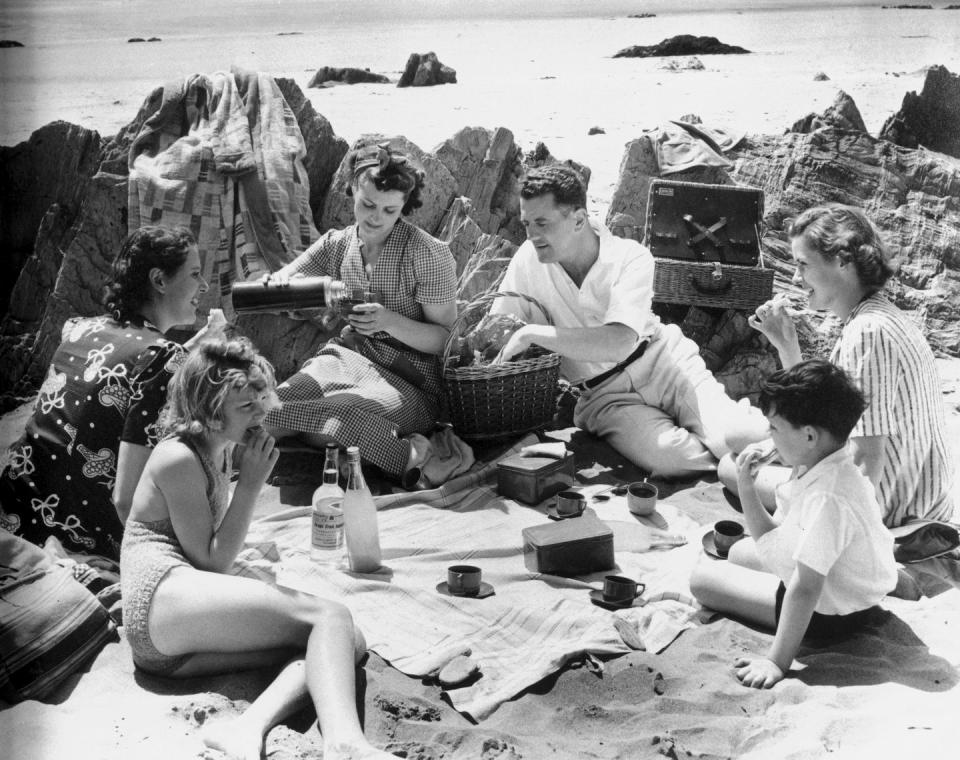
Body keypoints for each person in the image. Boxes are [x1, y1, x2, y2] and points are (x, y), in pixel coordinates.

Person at [120, 337, 395, 760]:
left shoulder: (220, 447)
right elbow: (209, 562)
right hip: (158, 597)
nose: (262, 413)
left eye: (261, 400)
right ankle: (345, 744)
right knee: (330, 614)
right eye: (246, 407)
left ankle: (247, 727)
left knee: (343, 640)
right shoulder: (177, 457)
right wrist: (250, 485)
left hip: (176, 634)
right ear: (207, 410)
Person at [490, 165, 767, 478]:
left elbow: (620, 341)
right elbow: (497, 329)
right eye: (527, 223)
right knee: (672, 460)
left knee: (741, 435)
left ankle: (739, 450)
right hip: (605, 398)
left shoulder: (630, 257)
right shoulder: (528, 260)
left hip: (665, 364)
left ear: (579, 219)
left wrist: (531, 333)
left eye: (542, 223)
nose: (532, 235)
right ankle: (735, 468)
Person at [724, 204, 955, 528]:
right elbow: (825, 414)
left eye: (803, 265)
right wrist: (787, 344)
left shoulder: (867, 335)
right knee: (737, 439)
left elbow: (866, 458)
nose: (795, 277)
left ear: (843, 262)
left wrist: (815, 540)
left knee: (729, 466)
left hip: (892, 513)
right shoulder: (878, 315)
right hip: (919, 496)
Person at [0, 225, 220, 561]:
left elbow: (130, 373)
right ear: (159, 281)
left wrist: (199, 342)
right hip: (84, 539)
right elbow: (125, 501)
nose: (204, 286)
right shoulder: (163, 359)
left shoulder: (81, 328)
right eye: (194, 274)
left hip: (18, 516)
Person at [691, 360, 898, 689]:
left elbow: (805, 588)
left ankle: (780, 645)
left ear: (810, 435)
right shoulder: (821, 462)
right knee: (738, 553)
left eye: (774, 428)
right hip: (850, 588)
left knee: (703, 580)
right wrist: (746, 487)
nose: (769, 436)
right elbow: (773, 540)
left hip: (833, 615)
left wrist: (776, 662)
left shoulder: (829, 497)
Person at [262, 142, 457, 487]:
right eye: (367, 204)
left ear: (403, 207)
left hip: (411, 380)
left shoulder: (427, 253)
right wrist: (278, 283)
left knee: (341, 418)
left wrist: (389, 321)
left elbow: (444, 341)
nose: (376, 217)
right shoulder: (338, 243)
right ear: (352, 188)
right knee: (269, 409)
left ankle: (407, 453)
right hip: (347, 359)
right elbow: (287, 281)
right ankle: (303, 422)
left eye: (390, 210)